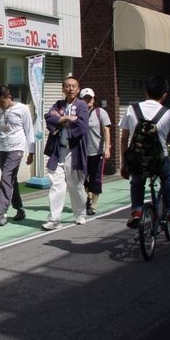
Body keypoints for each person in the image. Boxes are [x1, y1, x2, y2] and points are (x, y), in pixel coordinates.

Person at [119, 75, 170, 228]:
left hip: (137, 159)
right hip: (159, 159)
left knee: (137, 182)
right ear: (165, 94)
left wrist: (125, 163)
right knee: (167, 177)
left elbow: (124, 139)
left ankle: (137, 211)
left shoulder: (132, 109)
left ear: (146, 92)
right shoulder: (169, 113)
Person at [0, 85, 35, 226]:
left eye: (2, 101)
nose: (0, 105)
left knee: (6, 176)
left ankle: (2, 212)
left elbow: (29, 131)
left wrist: (31, 152)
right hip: (1, 148)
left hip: (16, 148)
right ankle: (20, 209)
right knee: (11, 179)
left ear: (9, 97)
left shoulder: (22, 109)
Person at [42, 75, 89, 230]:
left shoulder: (82, 105)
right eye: (67, 86)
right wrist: (67, 118)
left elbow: (82, 125)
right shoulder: (59, 104)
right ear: (63, 88)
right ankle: (54, 219)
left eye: (74, 86)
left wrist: (60, 119)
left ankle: (80, 213)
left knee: (76, 186)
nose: (70, 89)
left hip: (74, 152)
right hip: (58, 151)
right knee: (57, 186)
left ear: (78, 89)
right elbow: (48, 118)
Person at [80, 88, 111, 216]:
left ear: (93, 99)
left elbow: (106, 130)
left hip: (97, 152)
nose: (88, 100)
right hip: (82, 153)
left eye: (90, 98)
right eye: (85, 98)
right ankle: (88, 196)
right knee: (81, 179)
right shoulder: (79, 113)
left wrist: (107, 148)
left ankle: (93, 205)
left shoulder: (100, 112)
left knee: (96, 179)